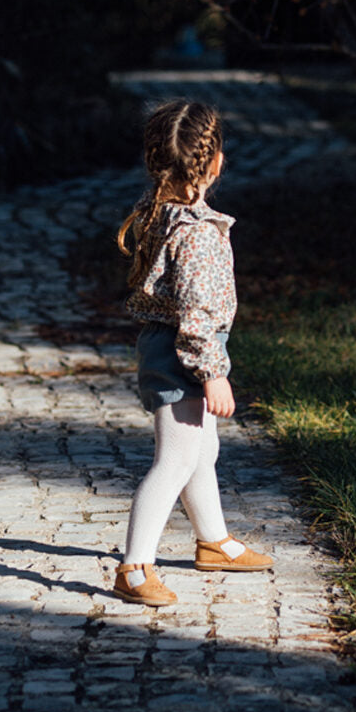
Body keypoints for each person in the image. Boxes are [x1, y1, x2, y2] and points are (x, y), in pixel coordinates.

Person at [113, 100, 273, 606]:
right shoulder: (198, 234)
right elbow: (197, 314)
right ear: (215, 162)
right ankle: (134, 566)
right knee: (176, 460)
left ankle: (214, 541)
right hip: (184, 351)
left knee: (203, 451)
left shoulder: (161, 212)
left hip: (169, 343)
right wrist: (213, 373)